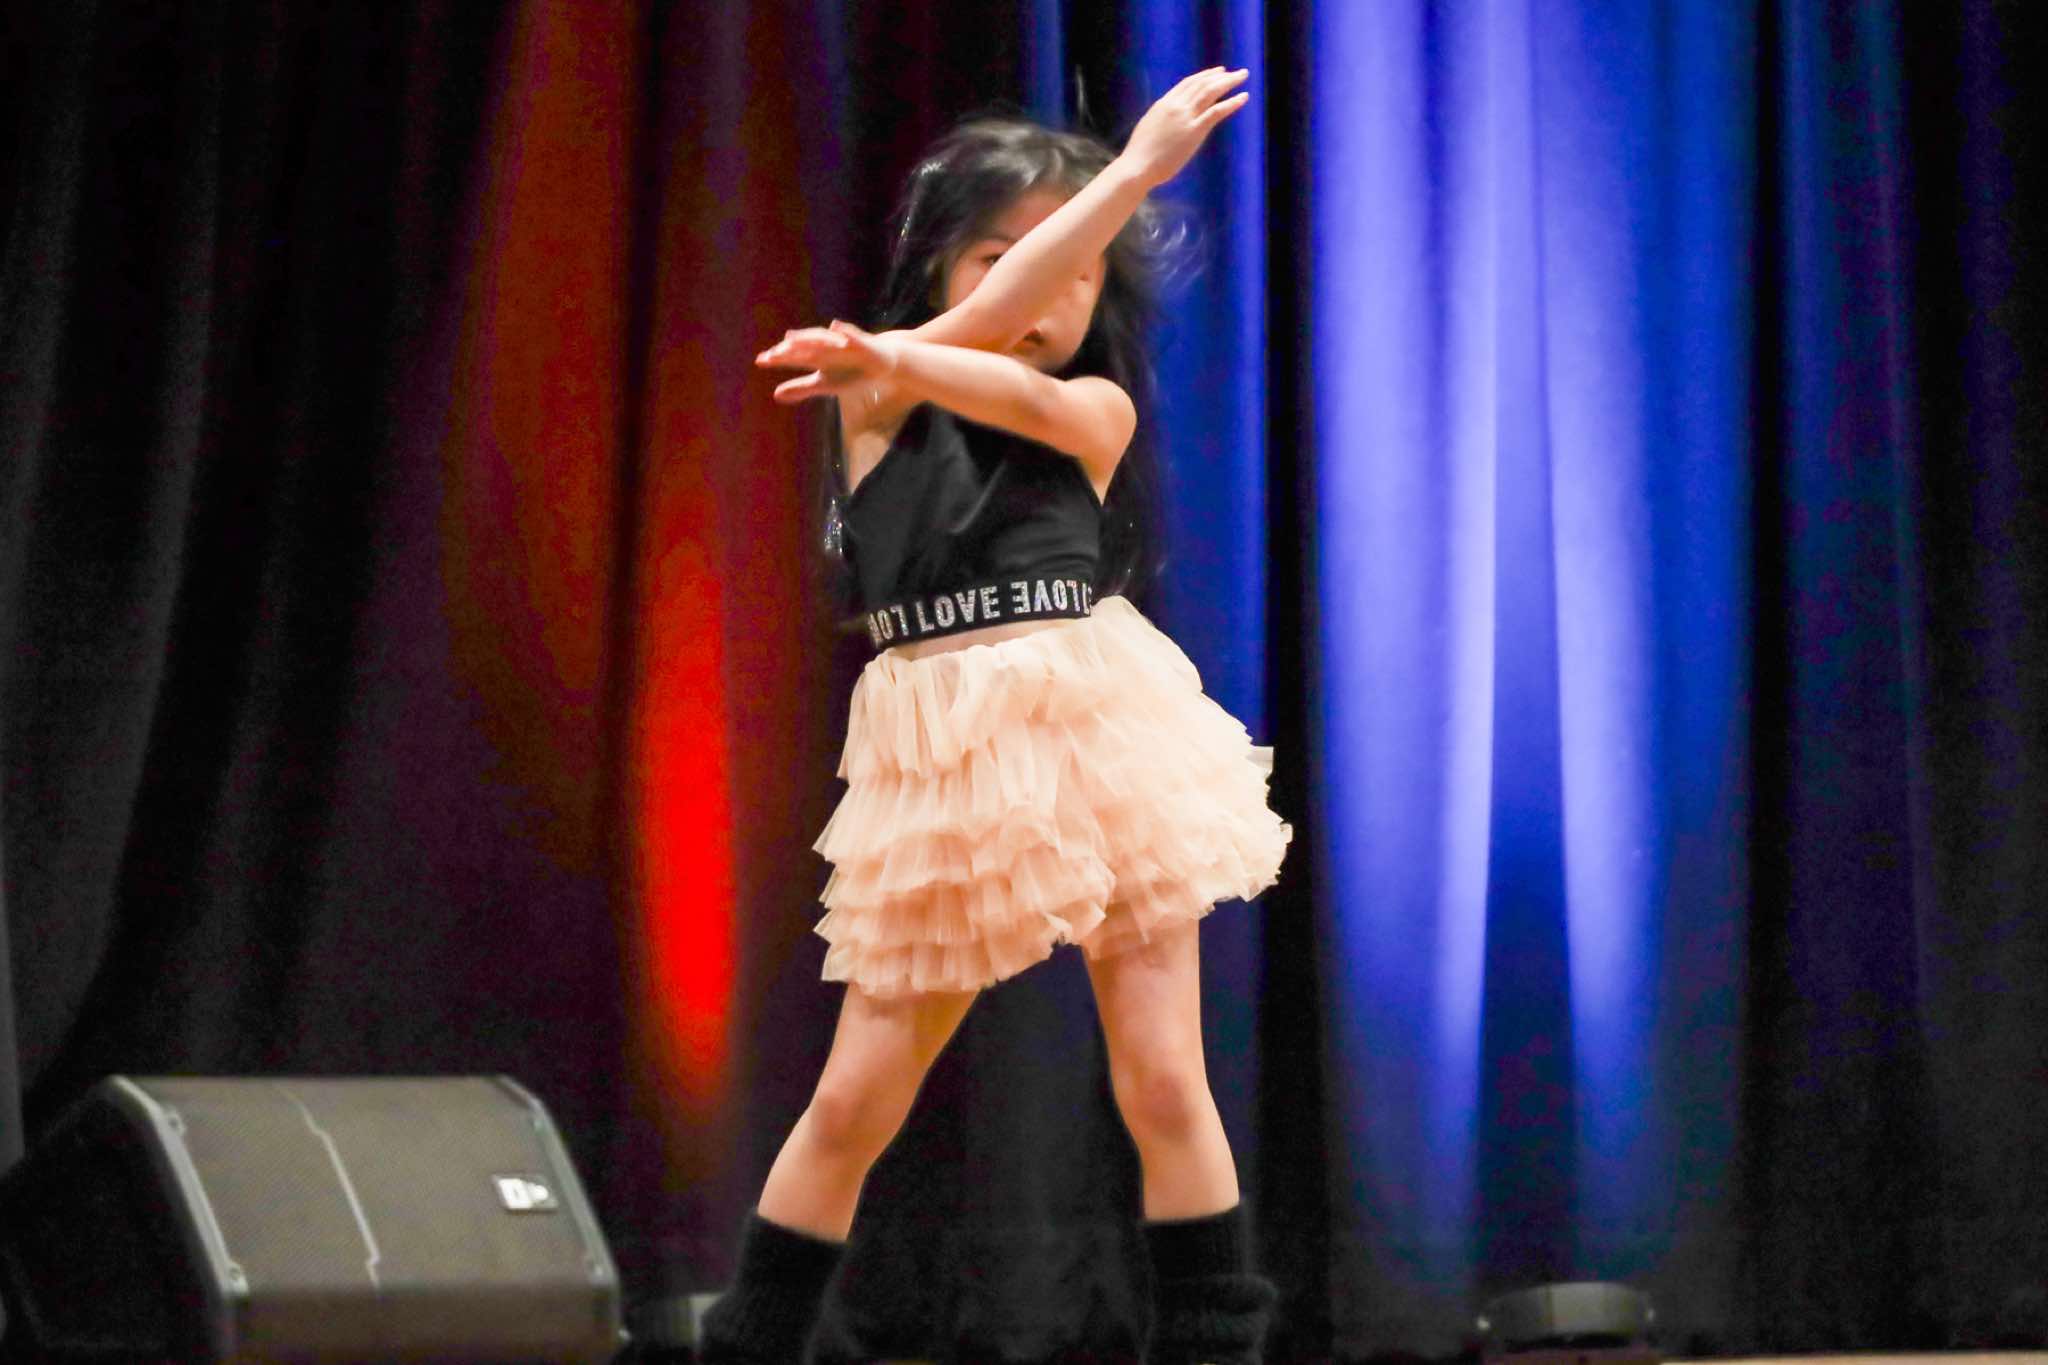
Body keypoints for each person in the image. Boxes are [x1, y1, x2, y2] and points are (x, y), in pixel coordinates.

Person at [706, 67, 1291, 1364]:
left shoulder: (1093, 406)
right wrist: (1117, 183)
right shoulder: (872, 393)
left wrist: (1125, 183)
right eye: (1003, 255)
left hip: (1096, 723)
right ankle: (750, 1344)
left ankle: (1216, 1347)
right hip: (944, 749)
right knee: (855, 1100)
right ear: (938, 267)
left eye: (1076, 267)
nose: (1044, 290)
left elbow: (1019, 387)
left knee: (1163, 1077)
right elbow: (963, 347)